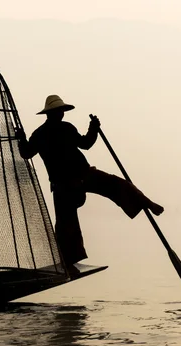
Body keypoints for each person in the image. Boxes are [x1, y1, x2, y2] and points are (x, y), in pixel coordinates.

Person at [16, 95, 163, 276]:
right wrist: (94, 128)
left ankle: (68, 262)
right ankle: (145, 202)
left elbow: (26, 152)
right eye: (60, 111)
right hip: (74, 179)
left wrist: (21, 139)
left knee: (67, 222)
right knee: (114, 186)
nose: (61, 114)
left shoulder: (41, 134)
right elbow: (86, 144)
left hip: (69, 182)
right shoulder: (60, 129)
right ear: (56, 113)